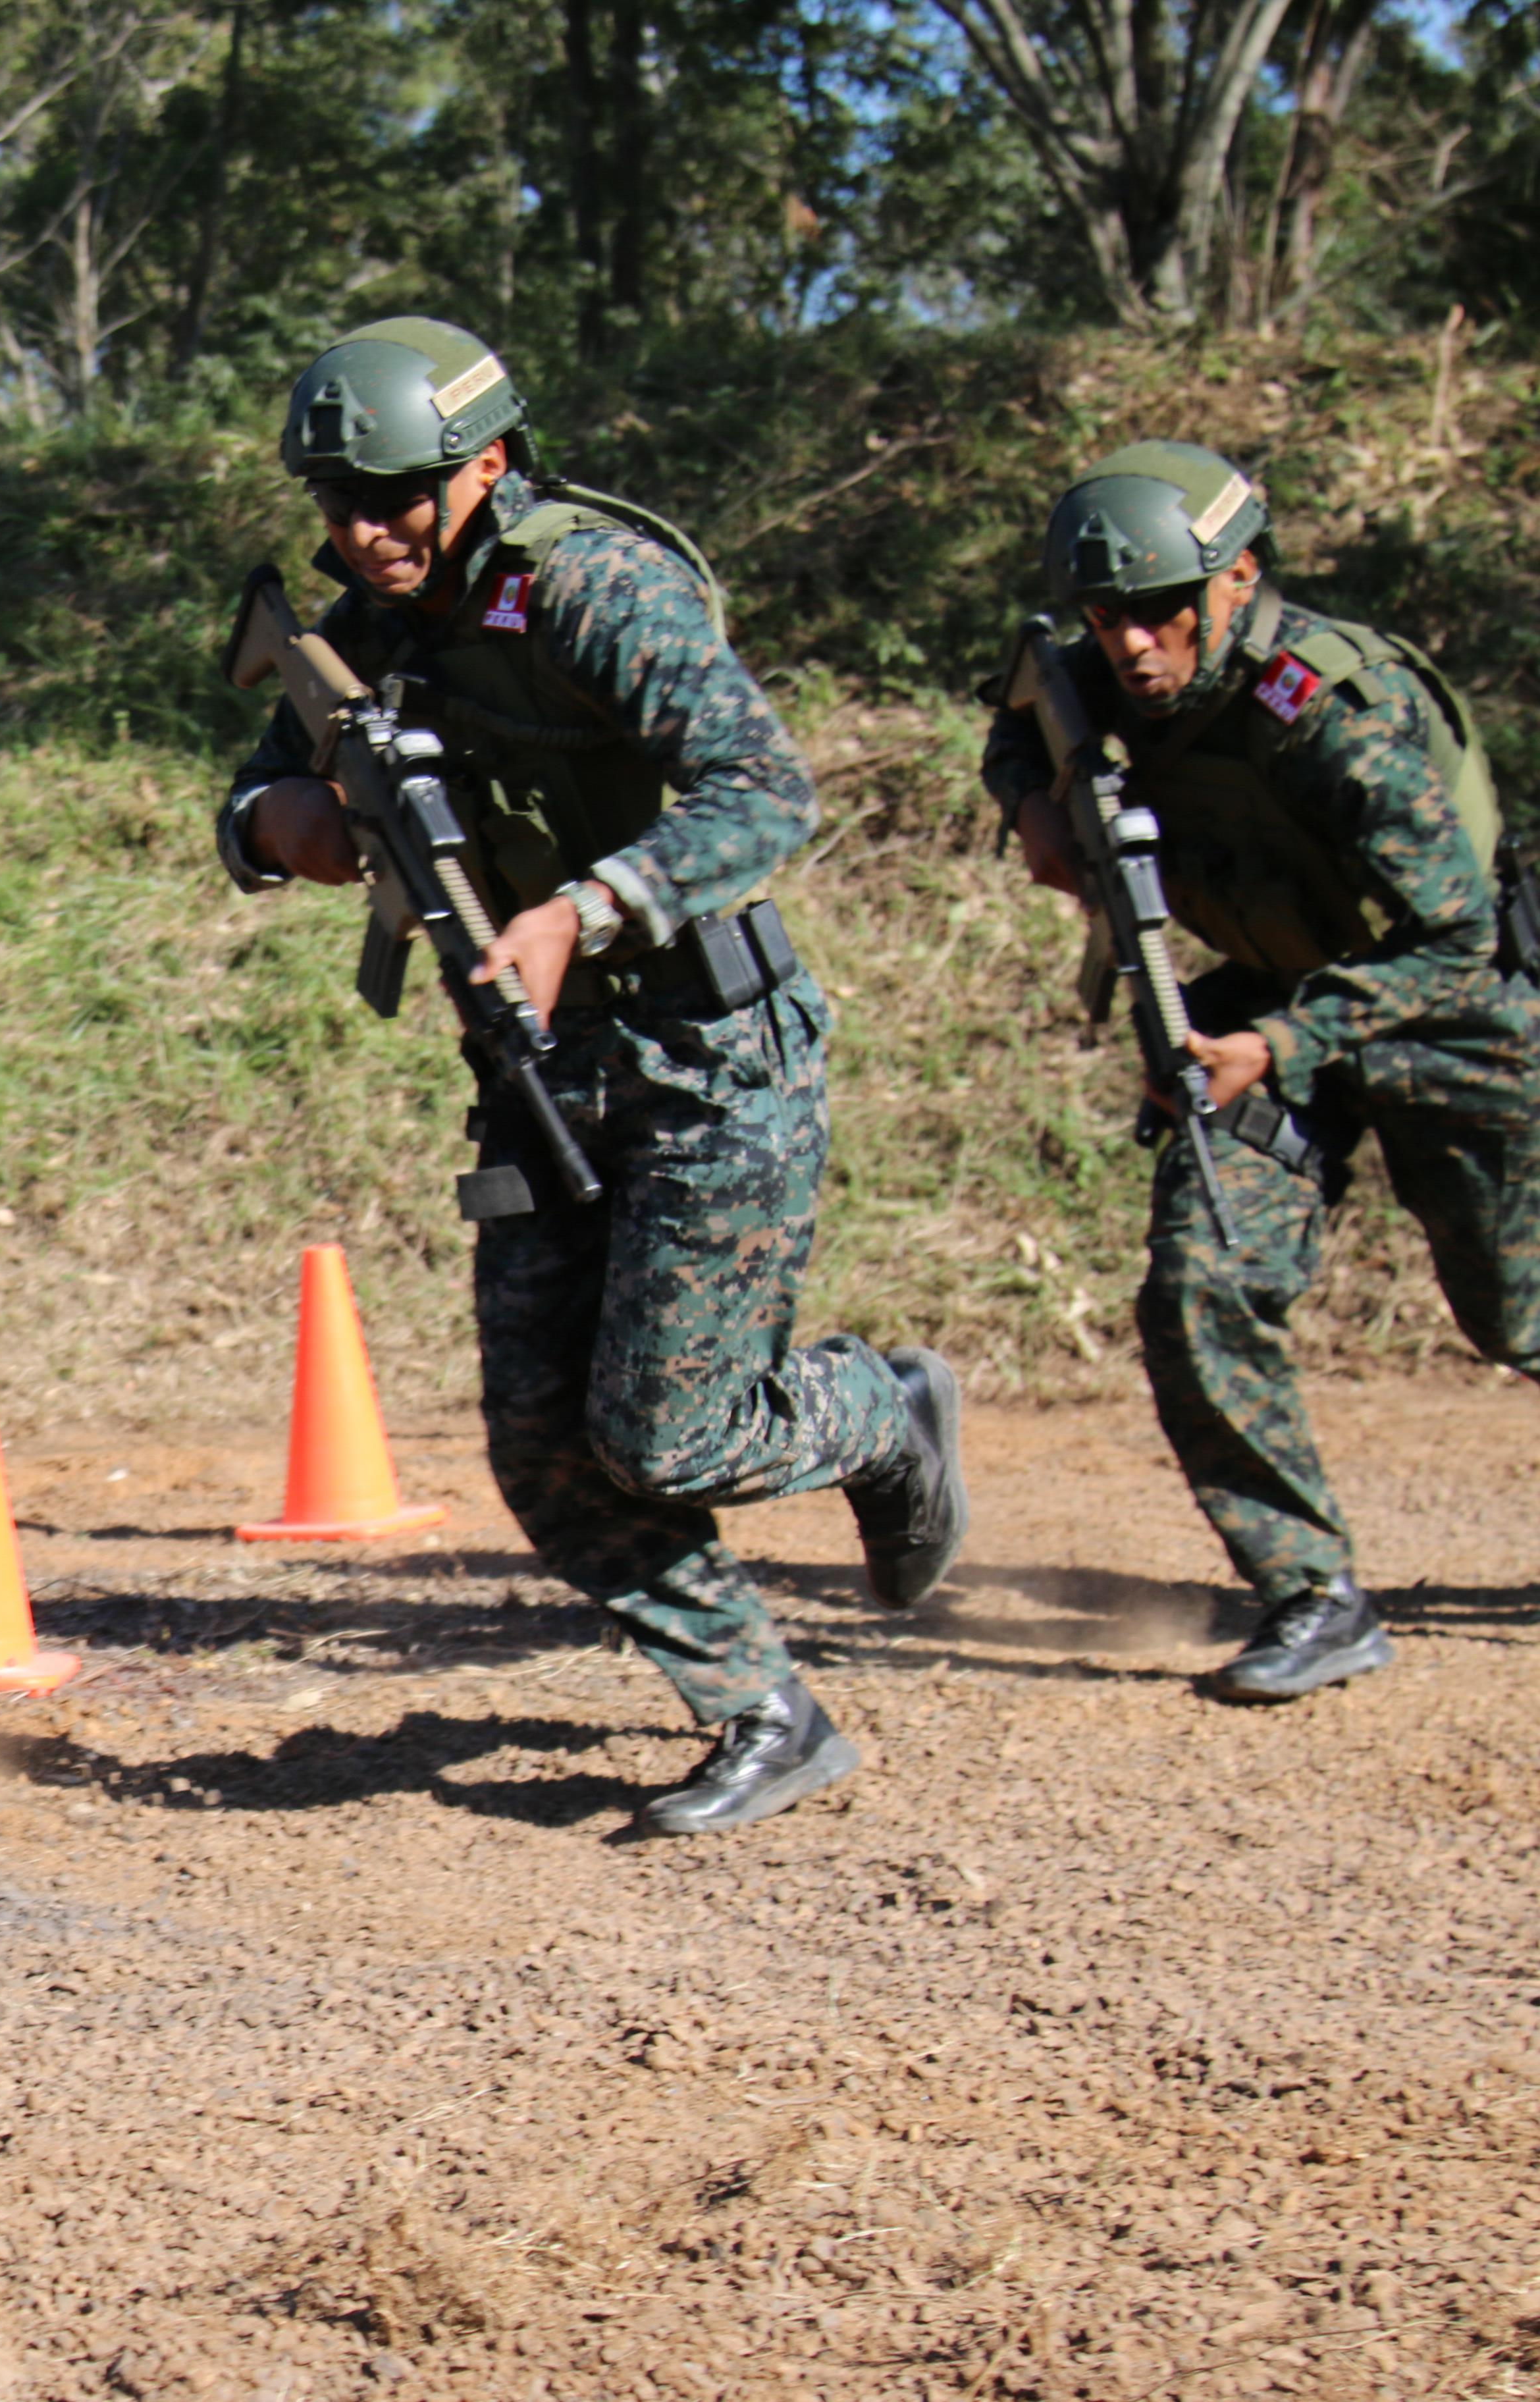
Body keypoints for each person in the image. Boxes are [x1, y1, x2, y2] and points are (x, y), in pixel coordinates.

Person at [217, 316, 965, 1836]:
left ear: (484, 464)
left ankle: (876, 1412)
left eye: (396, 495)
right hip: (533, 1062)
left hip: (707, 1049)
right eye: (335, 504)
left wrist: (585, 907)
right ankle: (764, 1710)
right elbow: (253, 791)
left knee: (670, 1431)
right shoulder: (372, 625)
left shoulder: (591, 586)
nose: (362, 532)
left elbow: (763, 790)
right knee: (541, 1450)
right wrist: (286, 822)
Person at [980, 442, 1540, 1701]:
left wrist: (1280, 1043)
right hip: (1259, 1006)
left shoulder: (1342, 714)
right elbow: (1019, 709)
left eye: (1160, 610)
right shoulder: (1094, 671)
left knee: (1515, 1312)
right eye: (1104, 614)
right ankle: (1310, 1590)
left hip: (1440, 1016)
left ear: (1233, 582)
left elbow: (1454, 943)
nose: (1130, 643)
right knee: (1197, 1282)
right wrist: (1028, 804)